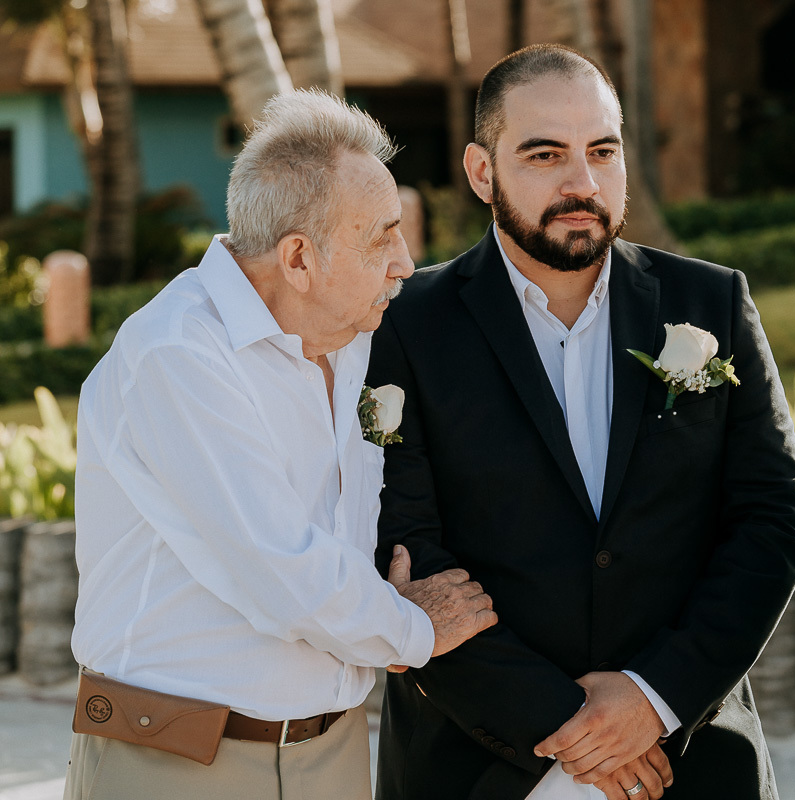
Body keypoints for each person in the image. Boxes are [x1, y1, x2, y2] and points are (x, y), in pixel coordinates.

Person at [367, 44, 795, 800]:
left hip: (688, 760)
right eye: (545, 154)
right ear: (482, 171)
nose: (583, 183)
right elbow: (404, 551)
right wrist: (572, 727)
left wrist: (654, 699)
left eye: (602, 151)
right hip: (477, 767)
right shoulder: (398, 325)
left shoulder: (711, 306)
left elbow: (770, 521)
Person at [65, 90, 497, 800]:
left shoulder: (354, 338)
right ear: (298, 258)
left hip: (332, 752)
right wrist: (414, 628)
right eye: (381, 237)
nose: (404, 262)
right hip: (176, 760)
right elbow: (283, 569)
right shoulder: (177, 355)